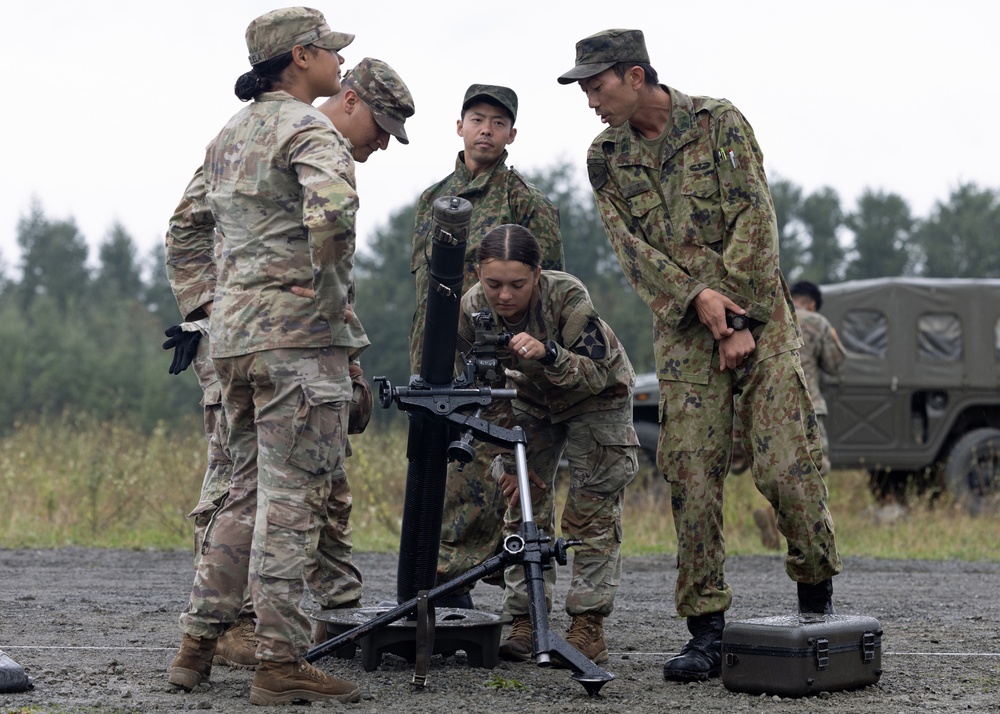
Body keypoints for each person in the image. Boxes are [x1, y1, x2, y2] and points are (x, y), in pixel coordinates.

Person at [558, 28, 843, 683]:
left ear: (635, 77)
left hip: (762, 325)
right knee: (689, 471)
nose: (590, 101)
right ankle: (705, 630)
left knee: (785, 467)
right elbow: (630, 250)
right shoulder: (605, 157)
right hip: (684, 328)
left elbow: (756, 219)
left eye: (596, 87)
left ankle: (816, 598)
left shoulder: (719, 123)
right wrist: (699, 303)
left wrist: (735, 314)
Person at [165, 56, 414, 672]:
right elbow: (331, 216)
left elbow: (183, 228)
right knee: (293, 499)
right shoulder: (312, 134)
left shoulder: (233, 132)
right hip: (296, 347)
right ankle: (279, 661)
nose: (381, 144)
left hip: (236, 344)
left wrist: (213, 309)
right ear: (350, 100)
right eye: (379, 127)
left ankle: (195, 646)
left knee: (243, 492)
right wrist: (329, 309)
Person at [408, 84, 565, 607]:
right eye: (477, 119)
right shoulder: (433, 201)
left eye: (498, 123)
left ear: (511, 135)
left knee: (491, 475)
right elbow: (422, 287)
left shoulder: (527, 203)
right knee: (440, 475)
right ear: (459, 126)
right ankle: (444, 589)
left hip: (496, 368)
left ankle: (504, 601)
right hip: (437, 363)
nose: (486, 130)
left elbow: (547, 291)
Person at [455, 224, 638, 665]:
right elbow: (487, 386)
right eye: (493, 283)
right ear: (479, 274)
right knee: (523, 504)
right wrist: (506, 454)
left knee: (590, 510)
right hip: (531, 402)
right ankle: (524, 617)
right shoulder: (472, 309)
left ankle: (587, 625)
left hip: (596, 398)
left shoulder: (567, 297)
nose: (504, 296)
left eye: (517, 285)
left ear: (538, 275)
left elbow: (596, 372)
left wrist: (548, 353)